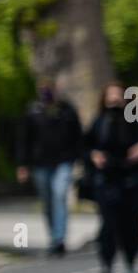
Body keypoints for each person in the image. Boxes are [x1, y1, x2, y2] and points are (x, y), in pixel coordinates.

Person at [86, 83, 138, 273]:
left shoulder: (134, 121)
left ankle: (130, 265)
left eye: (118, 97)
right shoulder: (99, 122)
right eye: (111, 97)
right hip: (107, 182)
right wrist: (93, 155)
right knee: (107, 227)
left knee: (130, 227)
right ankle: (106, 266)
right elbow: (85, 145)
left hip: (130, 182)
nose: (115, 101)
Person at [17, 80, 83, 256]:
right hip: (41, 163)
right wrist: (22, 165)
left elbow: (78, 136)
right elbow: (25, 139)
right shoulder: (33, 111)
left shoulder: (67, 110)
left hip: (64, 161)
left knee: (60, 195)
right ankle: (54, 236)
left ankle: (60, 239)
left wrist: (79, 158)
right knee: (48, 202)